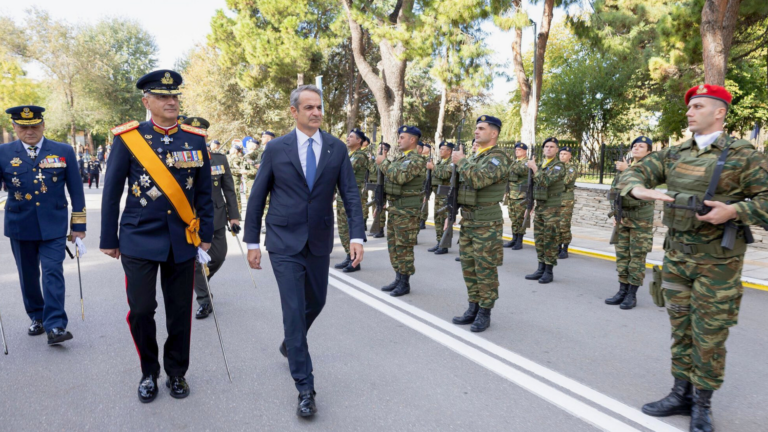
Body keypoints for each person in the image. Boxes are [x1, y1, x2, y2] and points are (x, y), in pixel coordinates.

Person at [620, 84, 768, 432]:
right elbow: (635, 172)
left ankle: (702, 403)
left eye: (698, 106)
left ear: (720, 112)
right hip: (677, 259)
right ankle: (679, 393)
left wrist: (734, 210)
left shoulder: (743, 154)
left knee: (709, 335)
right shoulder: (674, 153)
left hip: (718, 264)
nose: (689, 111)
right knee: (681, 329)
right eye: (689, 106)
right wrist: (637, 187)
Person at [244, 85, 365, 418]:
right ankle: (305, 387)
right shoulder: (277, 148)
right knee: (294, 311)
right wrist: (252, 243)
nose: (316, 112)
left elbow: (351, 195)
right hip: (283, 240)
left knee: (317, 301)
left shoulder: (336, 148)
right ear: (294, 111)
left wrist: (357, 236)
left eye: (319, 107)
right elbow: (257, 197)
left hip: (319, 239)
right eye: (308, 107)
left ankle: (290, 344)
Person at [99, 70, 214, 403]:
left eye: (175, 96)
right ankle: (149, 371)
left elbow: (204, 193)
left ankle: (176, 372)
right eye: (163, 97)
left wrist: (204, 235)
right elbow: (111, 192)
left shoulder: (195, 138)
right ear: (146, 101)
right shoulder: (129, 137)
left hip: (182, 238)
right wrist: (109, 238)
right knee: (141, 309)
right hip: (138, 236)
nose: (171, 102)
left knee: (179, 310)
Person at [0, 105, 86, 345]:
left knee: (52, 272)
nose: (30, 131)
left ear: (43, 125)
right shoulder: (3, 152)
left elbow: (76, 190)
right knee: (28, 276)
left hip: (54, 225)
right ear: (15, 127)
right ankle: (36, 315)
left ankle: (56, 324)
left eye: (35, 125)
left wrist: (78, 225)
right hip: (20, 224)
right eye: (23, 126)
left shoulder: (63, 150)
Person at [450, 116, 511, 332]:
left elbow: (478, 180)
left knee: (485, 268)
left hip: (487, 222)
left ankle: (485, 312)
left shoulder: (498, 158)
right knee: (469, 267)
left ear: (493, 133)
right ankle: (473, 307)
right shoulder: (476, 157)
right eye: (476, 128)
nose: (476, 131)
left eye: (481, 128)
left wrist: (462, 161)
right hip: (469, 220)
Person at [181, 117, 241, 319]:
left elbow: (229, 190)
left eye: (202, 132)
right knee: (197, 262)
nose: (199, 135)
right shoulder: (180, 157)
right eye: (193, 132)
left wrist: (234, 217)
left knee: (219, 255)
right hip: (189, 219)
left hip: (215, 217)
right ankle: (204, 300)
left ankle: (199, 281)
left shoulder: (219, 159)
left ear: (206, 135)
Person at [605, 136, 655, 310]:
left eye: (641, 146)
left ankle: (632, 294)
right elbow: (615, 192)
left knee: (637, 258)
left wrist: (626, 170)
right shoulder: (626, 166)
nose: (636, 148)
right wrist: (615, 213)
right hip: (623, 218)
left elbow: (642, 187)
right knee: (623, 256)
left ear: (649, 151)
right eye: (634, 145)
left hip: (640, 220)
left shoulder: (651, 168)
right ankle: (622, 290)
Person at [378, 125, 426, 297]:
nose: (398, 140)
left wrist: (383, 163)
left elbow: (400, 177)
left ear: (412, 140)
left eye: (402, 137)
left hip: (407, 211)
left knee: (404, 247)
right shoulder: (399, 159)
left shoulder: (417, 160)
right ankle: (398, 277)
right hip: (395, 209)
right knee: (393, 246)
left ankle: (405, 282)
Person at [524, 137, 566, 284]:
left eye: (552, 147)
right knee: (539, 239)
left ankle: (549, 271)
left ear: (557, 150)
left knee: (550, 240)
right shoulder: (541, 165)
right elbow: (532, 186)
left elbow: (545, 182)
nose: (548, 149)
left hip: (552, 209)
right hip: (541, 207)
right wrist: (529, 205)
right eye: (546, 146)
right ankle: (540, 268)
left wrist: (534, 168)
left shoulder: (559, 166)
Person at [333, 128, 369, 273]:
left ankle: (355, 261)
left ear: (359, 140)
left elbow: (342, 171)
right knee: (343, 230)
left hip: (353, 197)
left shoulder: (360, 156)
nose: (348, 138)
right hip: (342, 197)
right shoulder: (349, 155)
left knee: (350, 228)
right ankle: (349, 256)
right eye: (348, 136)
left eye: (351, 136)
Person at [427, 141, 453, 254]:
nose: (441, 151)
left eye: (443, 149)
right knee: (437, 220)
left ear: (449, 151)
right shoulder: (440, 162)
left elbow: (445, 174)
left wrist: (433, 168)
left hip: (445, 196)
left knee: (444, 220)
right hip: (438, 195)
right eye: (440, 149)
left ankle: (444, 245)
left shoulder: (452, 162)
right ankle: (439, 242)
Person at [503, 142, 530, 250]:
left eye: (519, 150)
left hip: (521, 196)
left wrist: (509, 163)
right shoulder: (514, 162)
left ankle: (519, 240)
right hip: (511, 195)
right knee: (513, 218)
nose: (517, 151)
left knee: (520, 219)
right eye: (516, 150)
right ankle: (514, 238)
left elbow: (521, 171)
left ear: (525, 151)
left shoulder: (527, 163)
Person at [557, 146, 578, 258]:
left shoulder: (571, 169)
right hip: (555, 199)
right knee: (556, 224)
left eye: (565, 154)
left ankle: (565, 248)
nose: (562, 156)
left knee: (564, 225)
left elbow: (565, 181)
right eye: (561, 154)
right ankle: (558, 246)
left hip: (566, 200)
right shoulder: (556, 167)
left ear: (570, 156)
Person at [418, 142, 432, 230]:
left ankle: (422, 220)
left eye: (426, 148)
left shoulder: (429, 160)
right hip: (420, 183)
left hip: (425, 183)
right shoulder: (421, 158)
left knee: (424, 201)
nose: (424, 149)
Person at [228, 145, 245, 212]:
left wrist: (228, 171)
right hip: (230, 179)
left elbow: (240, 170)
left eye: (232, 148)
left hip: (235, 179)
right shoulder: (231, 157)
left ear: (235, 150)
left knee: (236, 196)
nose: (230, 150)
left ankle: (238, 212)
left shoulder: (236, 159)